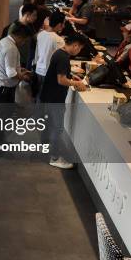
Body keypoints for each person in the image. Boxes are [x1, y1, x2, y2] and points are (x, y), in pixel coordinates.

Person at [39, 33, 88, 169]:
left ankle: (46, 147)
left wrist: (71, 76)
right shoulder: (63, 58)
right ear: (75, 45)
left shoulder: (59, 53)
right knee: (57, 127)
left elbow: (60, 74)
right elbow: (61, 80)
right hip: (55, 98)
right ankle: (54, 157)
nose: (78, 51)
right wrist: (76, 84)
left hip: (48, 96)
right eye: (79, 49)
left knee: (49, 124)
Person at [0, 24, 33, 146]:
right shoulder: (12, 48)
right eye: (24, 40)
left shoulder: (3, 41)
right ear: (19, 36)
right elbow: (11, 73)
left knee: (1, 116)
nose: (24, 43)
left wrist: (20, 69)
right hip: (4, 87)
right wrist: (23, 76)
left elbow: (6, 65)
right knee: (2, 117)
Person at [34, 11, 66, 97]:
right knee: (47, 98)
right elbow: (61, 59)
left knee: (39, 95)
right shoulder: (59, 40)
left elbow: (37, 54)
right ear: (59, 24)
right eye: (63, 23)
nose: (64, 26)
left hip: (38, 70)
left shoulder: (40, 34)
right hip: (49, 73)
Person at [6, 3, 38, 69]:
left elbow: (34, 37)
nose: (35, 18)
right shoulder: (14, 27)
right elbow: (9, 46)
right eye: (34, 15)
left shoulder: (29, 25)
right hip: (18, 61)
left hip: (26, 59)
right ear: (27, 15)